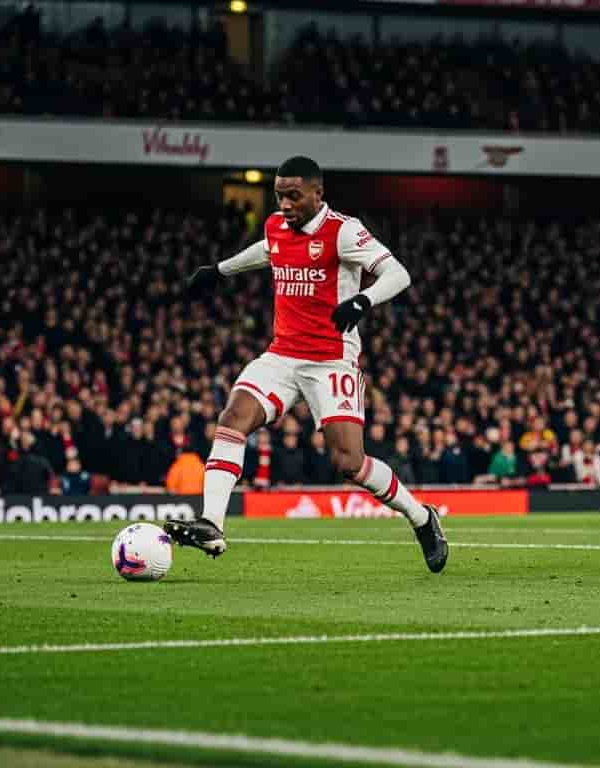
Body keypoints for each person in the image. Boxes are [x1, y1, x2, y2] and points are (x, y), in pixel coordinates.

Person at [169, 156, 447, 572]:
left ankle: (422, 517)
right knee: (233, 417)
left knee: (349, 463)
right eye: (279, 195)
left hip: (331, 360)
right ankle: (212, 523)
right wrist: (219, 271)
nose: (284, 203)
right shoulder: (276, 225)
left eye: (294, 195)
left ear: (318, 194)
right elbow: (268, 251)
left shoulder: (343, 230)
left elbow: (398, 273)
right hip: (282, 354)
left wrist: (363, 298)